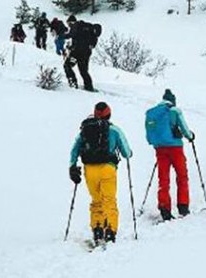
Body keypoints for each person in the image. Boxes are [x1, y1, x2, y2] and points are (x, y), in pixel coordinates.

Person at [69, 102, 133, 245]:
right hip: (107, 168)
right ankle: (110, 231)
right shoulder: (114, 130)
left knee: (96, 200)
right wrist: (129, 153)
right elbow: (126, 153)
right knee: (109, 200)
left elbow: (75, 149)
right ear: (109, 114)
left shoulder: (85, 130)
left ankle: (97, 230)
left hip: (89, 169)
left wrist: (72, 166)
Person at [145, 89, 195, 221]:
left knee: (163, 178)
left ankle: (164, 207)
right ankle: (183, 206)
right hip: (176, 148)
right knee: (182, 176)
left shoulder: (153, 113)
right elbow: (185, 129)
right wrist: (190, 136)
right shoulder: (174, 111)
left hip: (160, 149)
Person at [63, 15, 100, 91]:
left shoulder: (76, 26)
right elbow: (82, 39)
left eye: (68, 23)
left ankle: (73, 83)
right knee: (83, 70)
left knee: (67, 65)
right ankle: (89, 86)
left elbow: (72, 35)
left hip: (77, 52)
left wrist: (62, 36)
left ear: (71, 22)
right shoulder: (87, 27)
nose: (68, 26)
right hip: (86, 53)